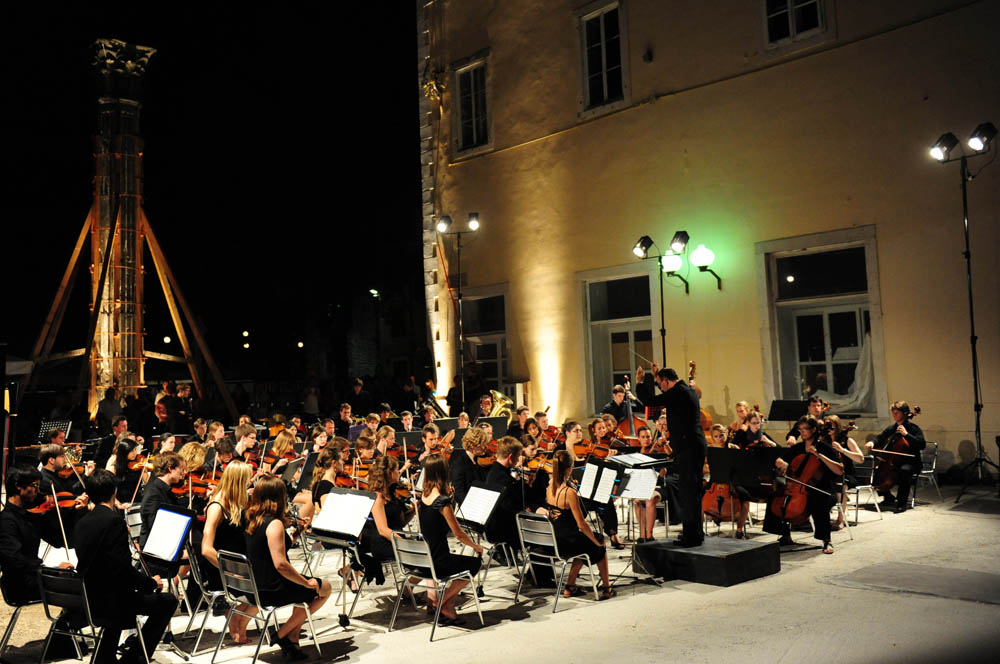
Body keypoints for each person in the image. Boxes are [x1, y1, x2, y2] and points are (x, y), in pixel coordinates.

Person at [74, 469, 178, 664]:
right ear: (114, 491)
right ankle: (135, 656)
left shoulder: (82, 521)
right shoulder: (113, 522)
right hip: (110, 599)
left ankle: (107, 656)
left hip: (88, 594)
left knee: (133, 600)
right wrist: (150, 583)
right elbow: (120, 569)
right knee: (168, 601)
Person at [245, 476, 331, 660]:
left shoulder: (253, 519)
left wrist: (299, 530)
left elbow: (277, 546)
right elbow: (281, 564)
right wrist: (305, 582)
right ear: (279, 497)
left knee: (307, 591)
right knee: (324, 588)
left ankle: (292, 642)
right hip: (272, 589)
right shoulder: (274, 524)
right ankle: (281, 634)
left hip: (255, 585)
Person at [416, 455, 484, 623]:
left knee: (462, 566)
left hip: (425, 560)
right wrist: (476, 547)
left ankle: (448, 610)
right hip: (440, 562)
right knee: (474, 564)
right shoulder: (442, 502)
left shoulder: (423, 497)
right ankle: (443, 601)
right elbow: (458, 534)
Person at [763, 415, 843, 554]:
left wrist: (819, 455)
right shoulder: (798, 448)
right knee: (775, 497)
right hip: (798, 487)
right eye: (800, 429)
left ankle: (827, 540)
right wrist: (782, 463)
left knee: (819, 501)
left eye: (805, 428)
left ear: (814, 429)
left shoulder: (825, 448)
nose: (802, 432)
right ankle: (785, 535)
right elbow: (779, 460)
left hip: (822, 488)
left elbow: (839, 469)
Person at [649, 368, 707, 547]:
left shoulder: (678, 392)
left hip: (688, 448)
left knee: (689, 493)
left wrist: (642, 382)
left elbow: (651, 401)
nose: (661, 388)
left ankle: (692, 537)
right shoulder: (686, 390)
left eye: (660, 384)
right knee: (693, 492)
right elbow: (666, 397)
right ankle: (694, 532)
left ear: (666, 381)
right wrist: (655, 376)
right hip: (693, 446)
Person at [544, 450, 614, 600]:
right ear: (570, 468)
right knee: (598, 540)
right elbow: (581, 524)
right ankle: (607, 588)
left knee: (584, 543)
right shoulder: (569, 492)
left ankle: (570, 586)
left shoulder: (549, 488)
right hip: (567, 542)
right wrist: (597, 542)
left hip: (555, 539)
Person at [200, 461, 255, 643]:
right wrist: (230, 570)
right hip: (221, 570)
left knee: (269, 576)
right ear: (237, 482)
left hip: (238, 564)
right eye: (247, 481)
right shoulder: (217, 507)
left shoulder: (236, 501)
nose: (249, 484)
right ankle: (238, 622)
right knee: (267, 585)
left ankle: (238, 620)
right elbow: (206, 549)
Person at [865, 400, 925, 513]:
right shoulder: (892, 428)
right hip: (892, 462)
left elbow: (922, 444)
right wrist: (872, 442)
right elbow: (880, 437)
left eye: (896, 412)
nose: (894, 415)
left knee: (904, 471)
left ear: (905, 413)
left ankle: (901, 503)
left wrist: (906, 435)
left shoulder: (914, 429)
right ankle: (888, 497)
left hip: (911, 463)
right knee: (876, 472)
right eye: (893, 412)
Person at [484, 437, 526, 562]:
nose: (519, 460)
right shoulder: (501, 477)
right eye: (518, 456)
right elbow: (509, 506)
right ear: (510, 456)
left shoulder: (497, 471)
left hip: (500, 522)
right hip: (501, 528)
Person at [827, 415, 864, 530]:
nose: (828, 430)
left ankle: (840, 519)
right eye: (826, 427)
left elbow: (860, 458)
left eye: (831, 428)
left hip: (847, 474)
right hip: (829, 474)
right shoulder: (823, 441)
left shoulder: (847, 440)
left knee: (841, 485)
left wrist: (842, 450)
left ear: (837, 428)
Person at [450, 427, 489, 506]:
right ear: (472, 445)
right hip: (468, 507)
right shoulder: (459, 463)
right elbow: (458, 492)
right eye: (482, 445)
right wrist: (473, 505)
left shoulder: (479, 459)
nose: (486, 448)